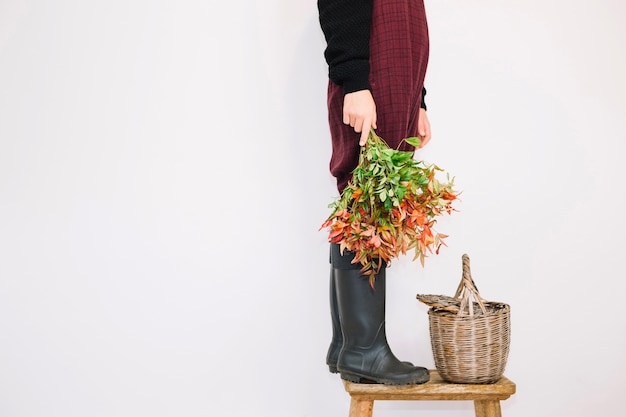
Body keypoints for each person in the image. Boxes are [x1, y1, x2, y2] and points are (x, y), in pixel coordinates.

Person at [318, 0, 432, 385]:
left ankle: (348, 343)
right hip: (373, 76)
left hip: (397, 77)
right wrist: (355, 82)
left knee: (367, 192)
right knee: (367, 190)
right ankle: (363, 348)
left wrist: (418, 99)